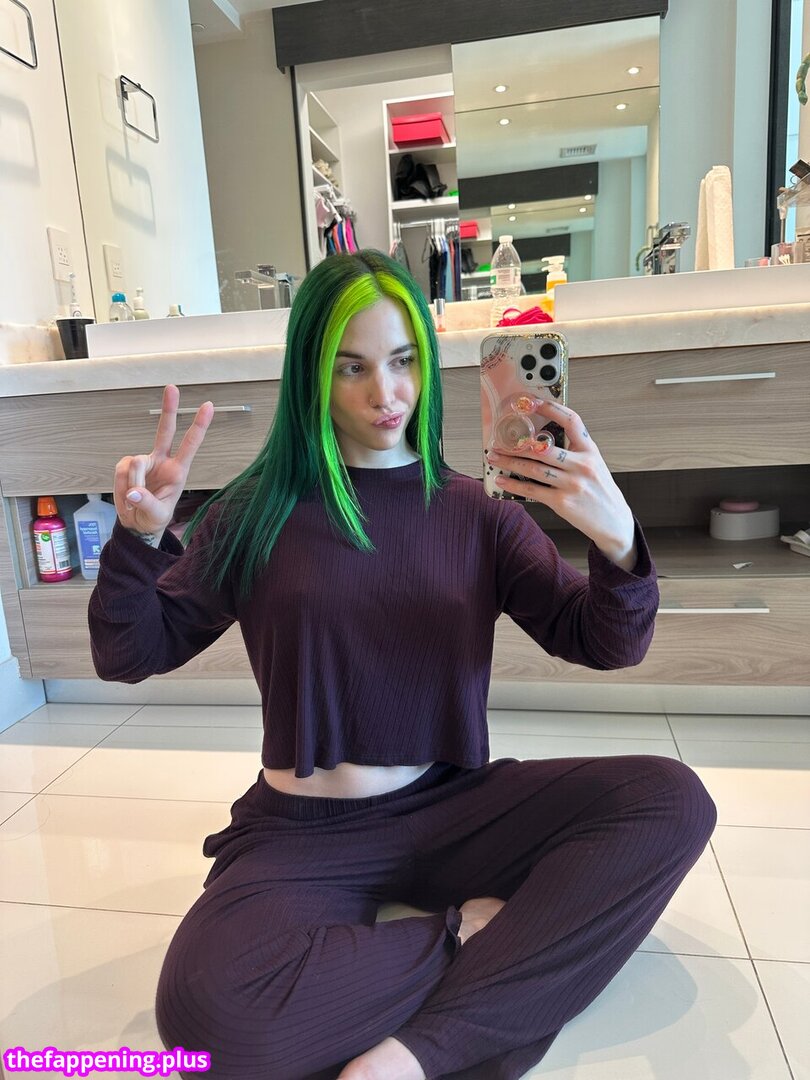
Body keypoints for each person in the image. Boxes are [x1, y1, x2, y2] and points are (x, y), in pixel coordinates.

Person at [88, 250, 717, 1080]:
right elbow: (131, 653)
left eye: (403, 360)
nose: (385, 393)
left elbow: (604, 642)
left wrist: (618, 540)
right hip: (305, 832)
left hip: (452, 807)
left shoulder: (479, 513)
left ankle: (418, 1053)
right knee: (209, 1018)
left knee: (670, 800)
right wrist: (136, 543)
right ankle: (483, 937)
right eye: (351, 367)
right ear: (311, 376)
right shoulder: (253, 513)